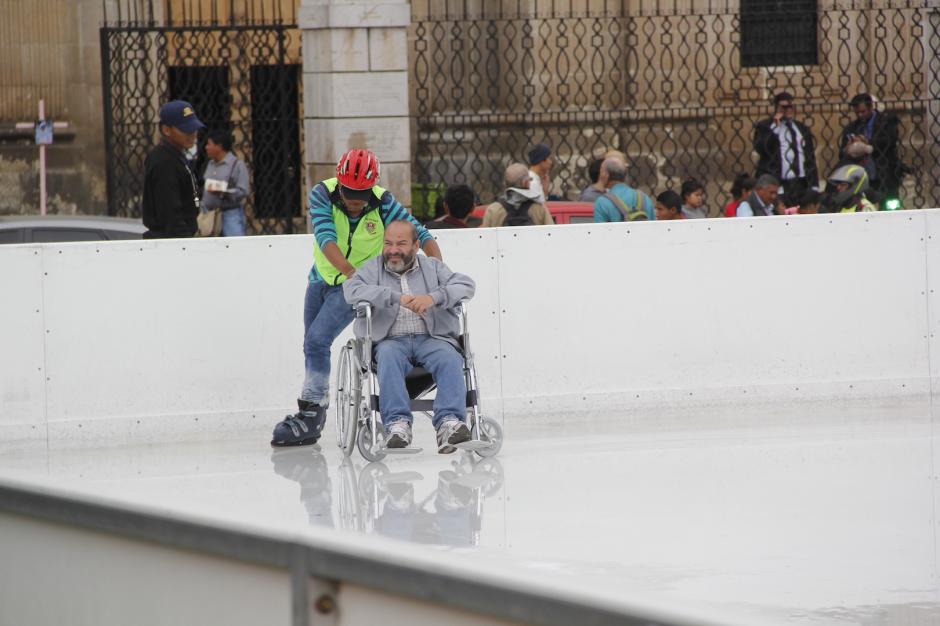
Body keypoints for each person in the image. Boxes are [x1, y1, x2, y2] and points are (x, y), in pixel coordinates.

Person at [271, 149, 443, 448]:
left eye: (361, 193)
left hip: (356, 285)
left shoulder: (383, 201)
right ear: (339, 182)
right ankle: (315, 413)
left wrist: (438, 269)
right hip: (322, 278)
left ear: (372, 187)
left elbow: (420, 232)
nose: (354, 200)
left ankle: (310, 412)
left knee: (316, 340)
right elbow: (326, 238)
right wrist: (348, 271)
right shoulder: (322, 194)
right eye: (349, 191)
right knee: (312, 343)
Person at [343, 220, 476, 454]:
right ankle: (397, 426)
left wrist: (434, 297)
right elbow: (351, 290)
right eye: (388, 243)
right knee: (388, 356)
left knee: (450, 357)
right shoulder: (372, 269)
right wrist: (393, 297)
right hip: (390, 341)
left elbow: (466, 285)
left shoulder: (432, 267)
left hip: (432, 338)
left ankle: (450, 424)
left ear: (416, 246)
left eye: (401, 244)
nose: (393, 250)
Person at [142, 100, 205, 238]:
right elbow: (170, 212)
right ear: (166, 130)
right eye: (185, 130)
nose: (192, 134)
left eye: (194, 129)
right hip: (171, 242)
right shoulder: (164, 161)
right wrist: (185, 243)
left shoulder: (176, 156)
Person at [839, 93, 907, 205]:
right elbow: (842, 154)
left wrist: (868, 143)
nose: (860, 115)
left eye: (863, 111)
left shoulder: (887, 122)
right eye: (857, 113)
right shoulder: (852, 127)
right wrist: (851, 147)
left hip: (885, 173)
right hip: (863, 177)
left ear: (871, 107)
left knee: (889, 206)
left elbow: (890, 140)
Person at [752, 92, 819, 200]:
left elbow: (810, 157)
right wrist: (775, 127)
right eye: (784, 107)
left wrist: (814, 185)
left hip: (801, 183)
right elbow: (760, 148)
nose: (788, 110)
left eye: (790, 106)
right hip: (779, 183)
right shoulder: (765, 127)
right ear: (777, 108)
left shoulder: (801, 128)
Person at [201, 129, 250, 237]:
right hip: (209, 215)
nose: (206, 147)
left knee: (234, 247)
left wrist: (224, 192)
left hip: (230, 215)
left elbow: (244, 190)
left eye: (209, 144)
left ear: (219, 146)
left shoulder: (237, 165)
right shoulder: (210, 164)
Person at [481, 163, 554, 227]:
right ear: (525, 183)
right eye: (529, 180)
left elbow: (484, 239)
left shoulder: (493, 210)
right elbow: (551, 235)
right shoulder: (539, 209)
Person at [593, 157, 654, 222]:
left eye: (601, 172)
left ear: (606, 175)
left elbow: (600, 231)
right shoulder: (645, 198)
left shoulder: (602, 202)